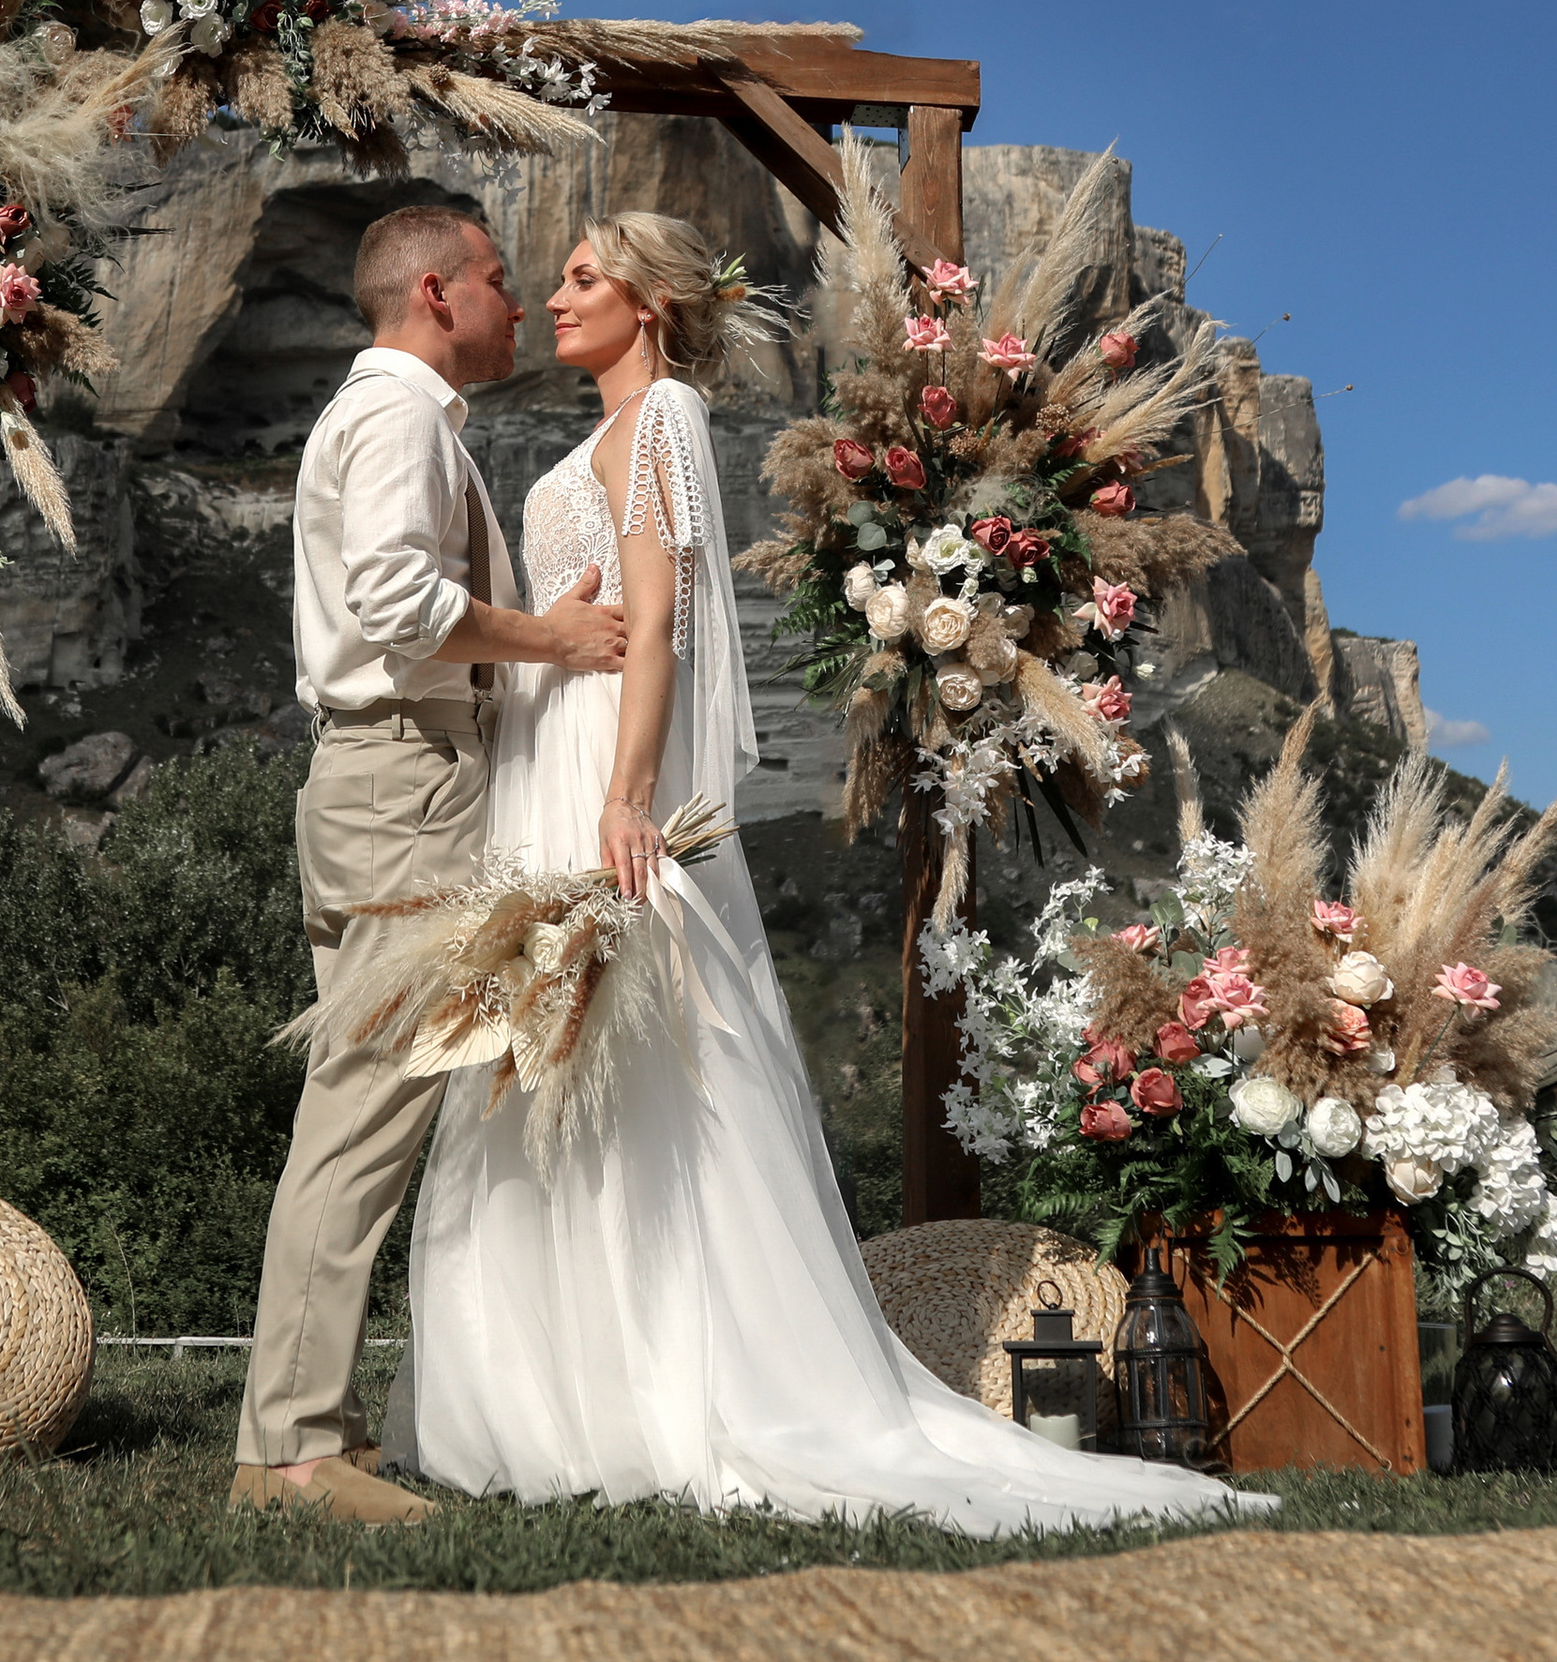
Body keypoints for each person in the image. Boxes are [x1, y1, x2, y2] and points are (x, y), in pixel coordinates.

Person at [384, 212, 1268, 1533]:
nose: (556, 297)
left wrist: (629, 795)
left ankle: (670, 1392)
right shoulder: (588, 438)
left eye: (582, 278)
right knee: (550, 1072)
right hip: (545, 766)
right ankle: (545, 1395)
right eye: (552, 280)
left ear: (653, 303)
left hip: (605, 782)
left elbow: (664, 629)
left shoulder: (668, 418)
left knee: (650, 1076)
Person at [230, 204, 629, 1523]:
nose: (519, 306)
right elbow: (398, 605)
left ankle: (307, 1436)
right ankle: (294, 1455)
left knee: (365, 1111)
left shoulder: (398, 419)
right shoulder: (399, 417)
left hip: (398, 775)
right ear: (440, 293)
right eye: (505, 282)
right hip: (405, 777)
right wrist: (557, 644)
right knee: (364, 1112)